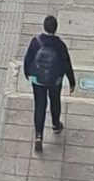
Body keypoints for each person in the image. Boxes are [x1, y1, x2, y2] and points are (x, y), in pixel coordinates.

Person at [22, 14, 76, 152]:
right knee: (55, 100)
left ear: (44, 27)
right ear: (56, 28)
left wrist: (28, 73)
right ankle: (56, 125)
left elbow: (28, 59)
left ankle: (38, 136)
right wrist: (72, 81)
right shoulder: (60, 45)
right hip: (54, 80)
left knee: (40, 105)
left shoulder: (36, 42)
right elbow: (66, 64)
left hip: (37, 80)